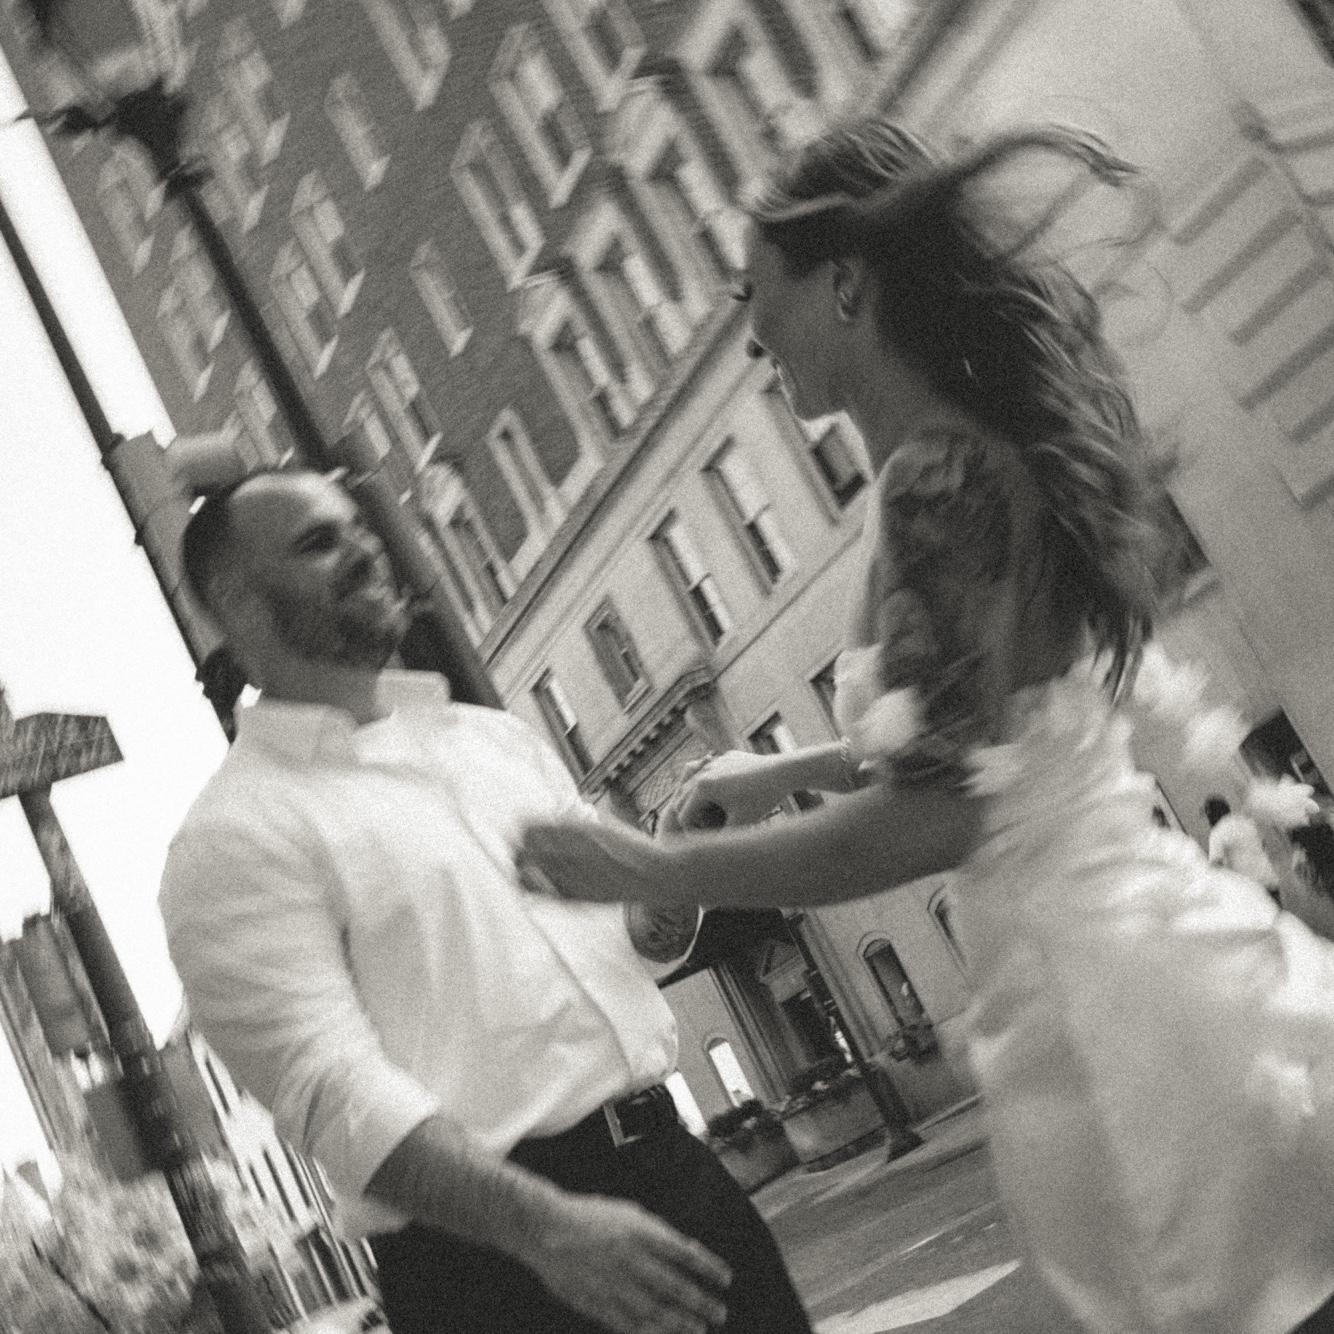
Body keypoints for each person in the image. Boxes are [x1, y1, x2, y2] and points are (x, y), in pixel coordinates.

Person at [518, 116, 1334, 1333]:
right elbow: (991, 735)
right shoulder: (939, 462)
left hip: (1117, 1006)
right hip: (1118, 965)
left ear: (842, 283)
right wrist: (777, 772)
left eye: (753, 290)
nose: (749, 332)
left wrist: (650, 867)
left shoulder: (935, 484)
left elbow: (939, 812)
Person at [158, 469, 814, 1334]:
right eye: (319, 543)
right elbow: (333, 1093)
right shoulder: (232, 838)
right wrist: (547, 1230)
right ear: (240, 605)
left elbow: (638, 944)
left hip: (679, 1181)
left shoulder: (492, 741)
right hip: (493, 1272)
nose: (364, 550)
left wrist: (673, 862)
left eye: (358, 529)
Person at [1205, 794, 1282, 901]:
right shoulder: (1247, 822)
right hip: (1269, 879)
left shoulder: (1217, 833)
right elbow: (1262, 844)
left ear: (1211, 815)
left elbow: (1216, 864)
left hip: (1249, 889)